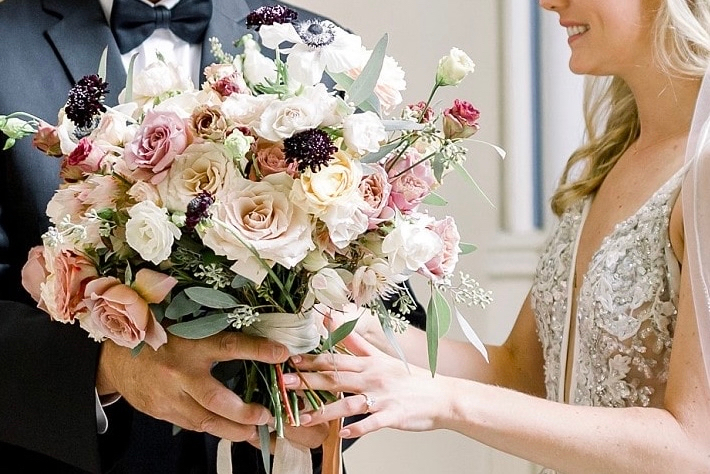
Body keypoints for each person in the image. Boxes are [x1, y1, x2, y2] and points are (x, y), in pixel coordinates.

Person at [283, 0, 710, 472]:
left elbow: (695, 446)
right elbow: (523, 372)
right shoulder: (609, 159)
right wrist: (362, 331)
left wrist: (443, 401)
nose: (550, 3)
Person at [0, 0, 335, 472]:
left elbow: (386, 301)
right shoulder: (5, 42)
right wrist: (105, 366)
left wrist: (321, 388)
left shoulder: (315, 44)